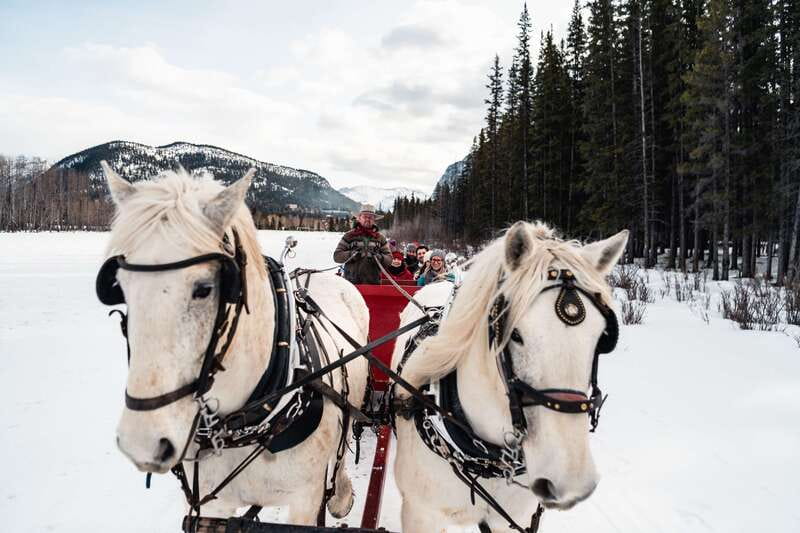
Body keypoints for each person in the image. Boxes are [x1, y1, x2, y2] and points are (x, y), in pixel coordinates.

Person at [333, 204, 392, 285]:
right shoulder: (349, 236)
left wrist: (379, 257)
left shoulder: (380, 238)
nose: (368, 219)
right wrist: (352, 254)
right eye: (365, 217)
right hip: (351, 285)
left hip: (374, 284)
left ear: (374, 219)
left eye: (370, 217)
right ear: (359, 218)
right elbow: (337, 256)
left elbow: (389, 259)